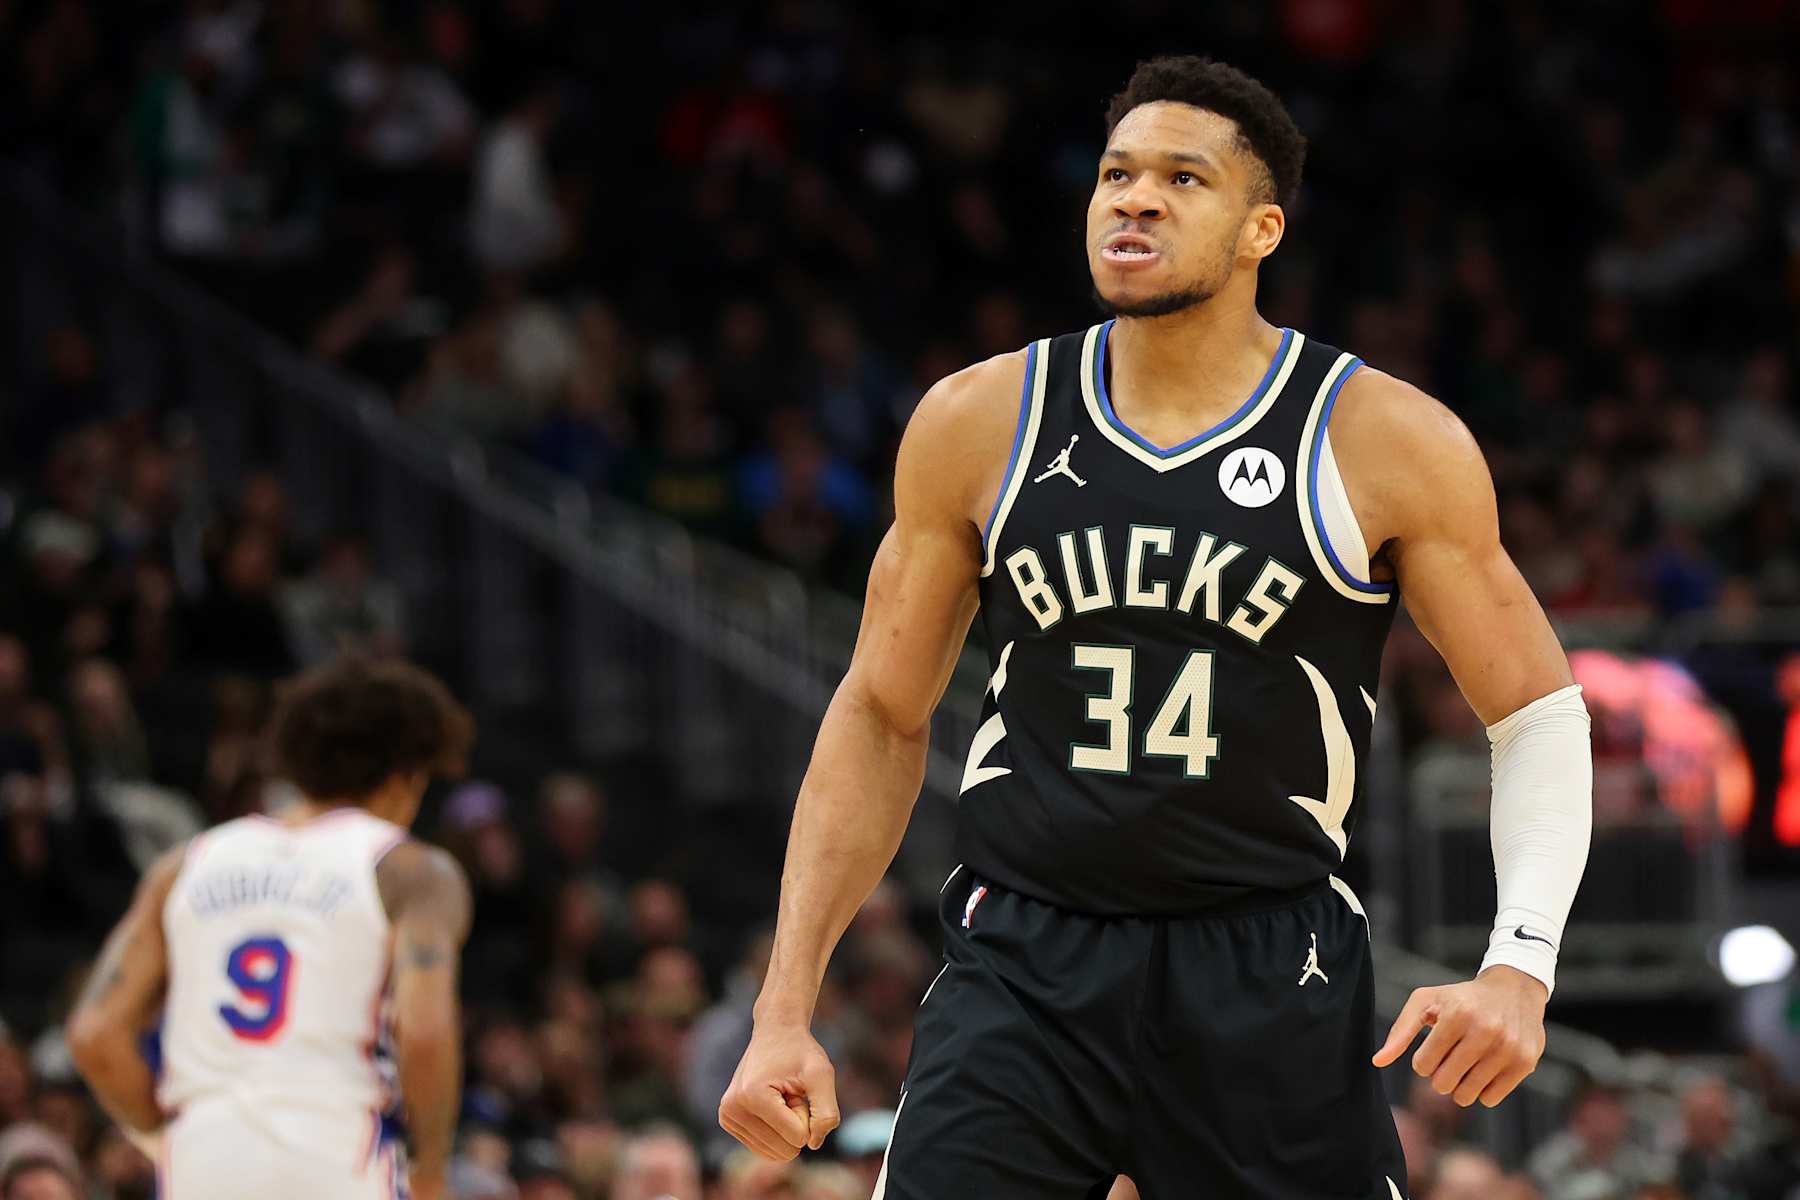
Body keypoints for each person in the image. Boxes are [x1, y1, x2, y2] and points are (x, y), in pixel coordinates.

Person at [719, 56, 1594, 1199]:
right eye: (1117, 174)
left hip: (1265, 963)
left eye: (1184, 178)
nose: (1136, 199)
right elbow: (881, 713)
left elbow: (1535, 712)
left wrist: (1520, 964)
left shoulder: (1382, 437)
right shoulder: (980, 419)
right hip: (1025, 959)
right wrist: (783, 1009)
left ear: (1261, 229)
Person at [66, 656, 476, 1200]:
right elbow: (423, 1032)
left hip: (205, 1158)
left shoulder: (184, 866)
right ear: (408, 775)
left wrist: (167, 1133)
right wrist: (430, 1170)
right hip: (337, 1152)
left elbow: (94, 1035)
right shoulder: (411, 871)